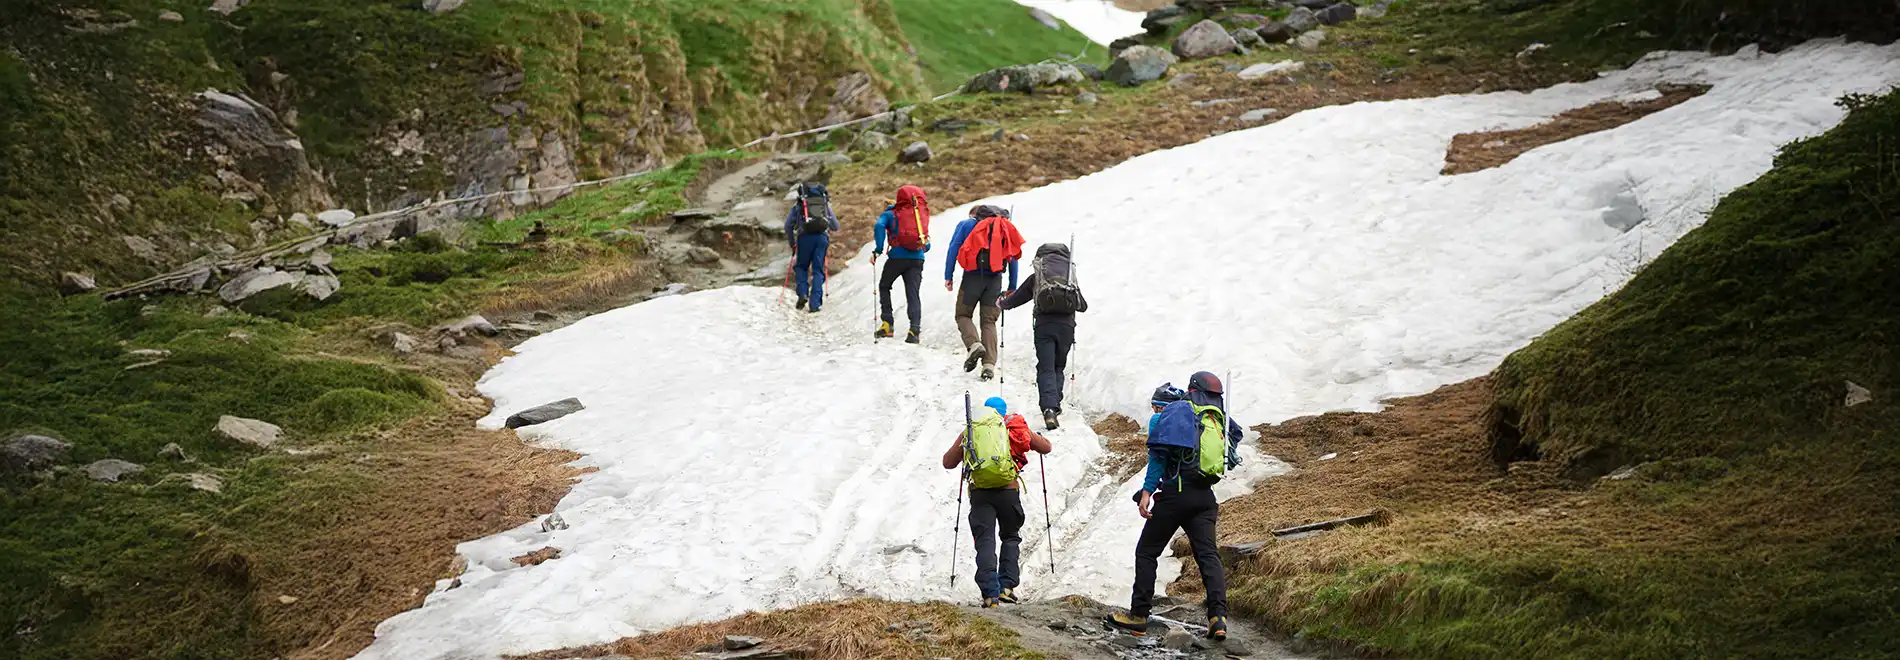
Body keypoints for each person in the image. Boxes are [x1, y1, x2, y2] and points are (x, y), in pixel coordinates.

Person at [1109, 371, 1244, 640]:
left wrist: (1147, 491)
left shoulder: (1171, 414)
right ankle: (1218, 618)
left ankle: (1138, 616)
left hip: (1175, 496)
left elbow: (1158, 457)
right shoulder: (1216, 416)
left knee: (1147, 552)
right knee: (1208, 556)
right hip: (1205, 498)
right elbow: (1236, 436)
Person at [942, 396, 1052, 607]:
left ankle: (990, 595)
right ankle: (1006, 588)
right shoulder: (1014, 427)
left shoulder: (973, 431)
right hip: (1009, 491)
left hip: (980, 493)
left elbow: (948, 462)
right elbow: (1046, 447)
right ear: (1003, 411)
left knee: (985, 541)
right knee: (1010, 537)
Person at [999, 243, 1088, 430]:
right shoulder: (1069, 278)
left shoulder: (1038, 277)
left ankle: (1049, 408)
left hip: (1044, 327)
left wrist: (1002, 302)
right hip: (1066, 327)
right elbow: (1083, 306)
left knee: (1046, 367)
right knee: (1058, 366)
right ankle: (1055, 404)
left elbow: (1015, 300)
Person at [943, 205, 1023, 381]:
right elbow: (1012, 256)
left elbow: (953, 249)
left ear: (975, 215)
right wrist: (1012, 285)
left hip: (972, 278)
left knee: (963, 314)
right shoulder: (1004, 227)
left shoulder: (966, 225)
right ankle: (988, 366)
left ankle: (974, 344)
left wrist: (948, 276)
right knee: (989, 321)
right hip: (995, 280)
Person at [871, 185, 931, 343]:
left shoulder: (890, 214)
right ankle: (914, 331)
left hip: (897, 257)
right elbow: (927, 244)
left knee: (885, 285)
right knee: (913, 294)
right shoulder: (918, 214)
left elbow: (878, 226)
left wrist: (878, 249)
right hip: (917, 258)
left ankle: (887, 324)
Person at [784, 182, 839, 312]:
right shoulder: (824, 205)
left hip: (804, 238)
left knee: (801, 267)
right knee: (818, 270)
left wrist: (792, 243)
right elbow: (835, 226)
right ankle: (815, 304)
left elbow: (788, 226)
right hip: (821, 238)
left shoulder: (798, 206)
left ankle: (802, 293)